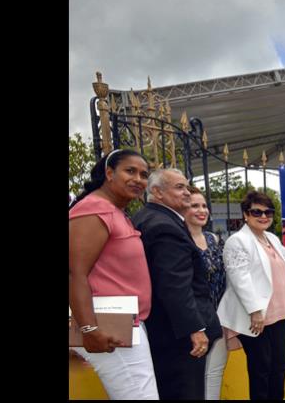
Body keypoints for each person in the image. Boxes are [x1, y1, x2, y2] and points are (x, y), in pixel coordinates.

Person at [217, 191, 285, 400]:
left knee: (280, 365)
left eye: (268, 212)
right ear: (246, 215)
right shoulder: (237, 241)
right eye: (256, 212)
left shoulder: (271, 238)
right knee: (261, 369)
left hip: (280, 314)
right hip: (256, 318)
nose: (263, 216)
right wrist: (255, 311)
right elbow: (240, 278)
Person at [69, 149, 158, 399]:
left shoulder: (113, 211)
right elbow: (75, 273)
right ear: (109, 173)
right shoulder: (94, 210)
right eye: (130, 171)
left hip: (124, 322)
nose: (138, 179)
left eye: (144, 175)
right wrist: (89, 329)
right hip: (107, 325)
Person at [133, 168, 222, 399]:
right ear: (157, 192)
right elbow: (174, 285)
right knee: (186, 391)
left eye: (187, 186)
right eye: (179, 187)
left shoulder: (151, 217)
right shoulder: (164, 226)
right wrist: (194, 328)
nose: (187, 193)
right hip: (178, 336)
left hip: (165, 330)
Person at [184, 185, 229, 400]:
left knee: (214, 372)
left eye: (204, 205)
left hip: (218, 316)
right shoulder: (178, 240)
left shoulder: (214, 239)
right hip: (191, 320)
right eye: (195, 206)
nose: (202, 210)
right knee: (191, 378)